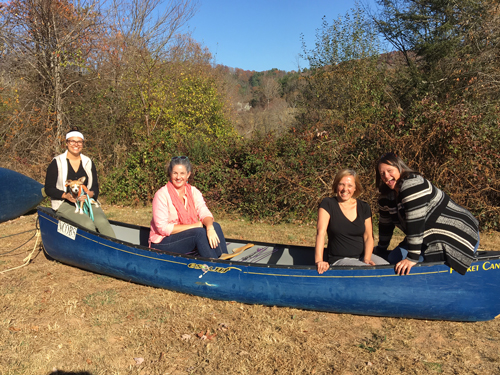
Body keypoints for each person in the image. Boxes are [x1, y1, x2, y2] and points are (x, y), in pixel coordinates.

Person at [375, 152, 480, 276]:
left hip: (455, 233)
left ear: (400, 167)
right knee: (393, 258)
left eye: (389, 170)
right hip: (426, 237)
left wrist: (412, 258)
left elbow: (416, 223)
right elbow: (385, 226)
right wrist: (380, 249)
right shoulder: (386, 197)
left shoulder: (412, 184)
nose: (386, 176)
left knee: (414, 266)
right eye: (382, 174)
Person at [149, 156, 227, 258]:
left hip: (186, 236)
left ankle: (225, 259)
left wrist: (210, 228)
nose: (178, 177)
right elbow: (162, 228)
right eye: (175, 173)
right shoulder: (161, 195)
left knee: (215, 226)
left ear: (188, 175)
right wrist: (195, 225)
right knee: (198, 233)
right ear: (170, 173)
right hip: (163, 241)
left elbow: (204, 212)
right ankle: (215, 265)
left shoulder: (194, 191)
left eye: (182, 173)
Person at [44, 127, 116, 238]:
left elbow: (95, 187)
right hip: (64, 203)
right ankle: (92, 252)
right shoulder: (57, 162)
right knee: (87, 224)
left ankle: (115, 251)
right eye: (72, 141)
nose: (76, 144)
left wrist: (89, 195)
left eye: (79, 142)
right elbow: (49, 188)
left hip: (86, 201)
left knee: (102, 222)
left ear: (82, 143)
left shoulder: (88, 162)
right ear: (67, 143)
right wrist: (66, 196)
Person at [315, 169, 389, 274]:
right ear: (336, 185)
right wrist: (319, 261)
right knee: (367, 272)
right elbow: (320, 233)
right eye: (341, 184)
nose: (345, 189)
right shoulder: (328, 204)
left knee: (389, 269)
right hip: (339, 260)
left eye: (350, 185)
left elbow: (368, 236)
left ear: (355, 188)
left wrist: (367, 259)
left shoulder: (364, 207)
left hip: (362, 257)